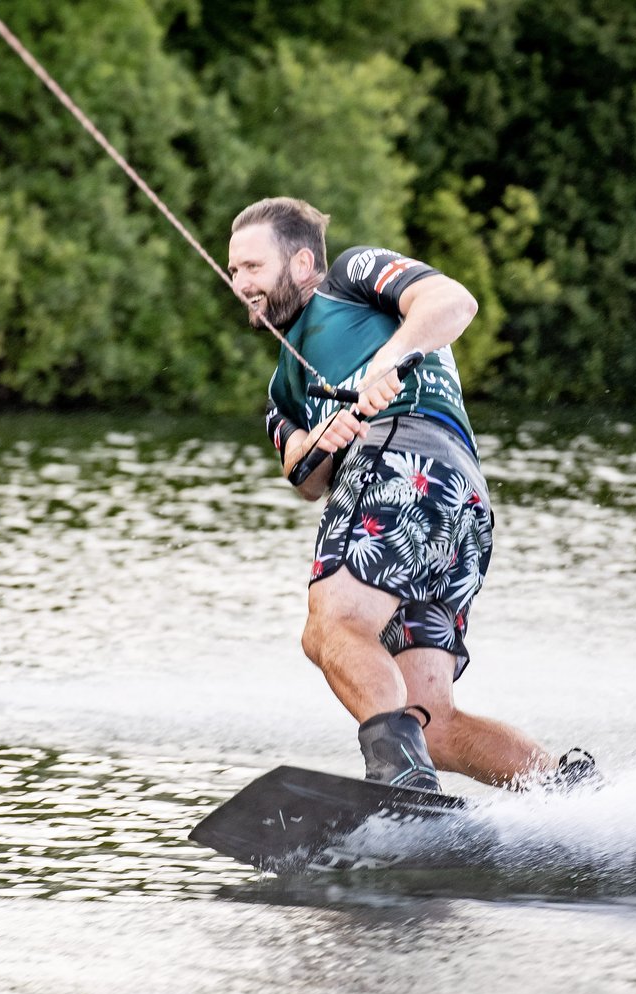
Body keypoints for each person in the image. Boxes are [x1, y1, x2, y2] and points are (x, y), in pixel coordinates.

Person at [227, 195, 598, 794]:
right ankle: (570, 797)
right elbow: (304, 477)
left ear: (300, 264)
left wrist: (390, 359)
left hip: (409, 464)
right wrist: (322, 437)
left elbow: (453, 301)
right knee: (433, 725)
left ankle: (404, 787)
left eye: (252, 268)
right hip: (453, 507)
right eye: (234, 270)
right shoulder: (280, 388)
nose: (240, 283)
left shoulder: (351, 277)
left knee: (331, 626)